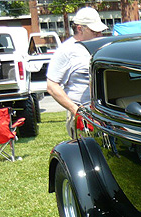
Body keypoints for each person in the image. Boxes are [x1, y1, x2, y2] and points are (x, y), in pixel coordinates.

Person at [47, 7, 107, 138]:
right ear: (80, 29)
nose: (99, 35)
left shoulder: (102, 46)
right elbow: (52, 86)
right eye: (94, 31)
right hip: (83, 115)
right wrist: (78, 111)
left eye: (100, 32)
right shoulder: (66, 51)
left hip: (105, 112)